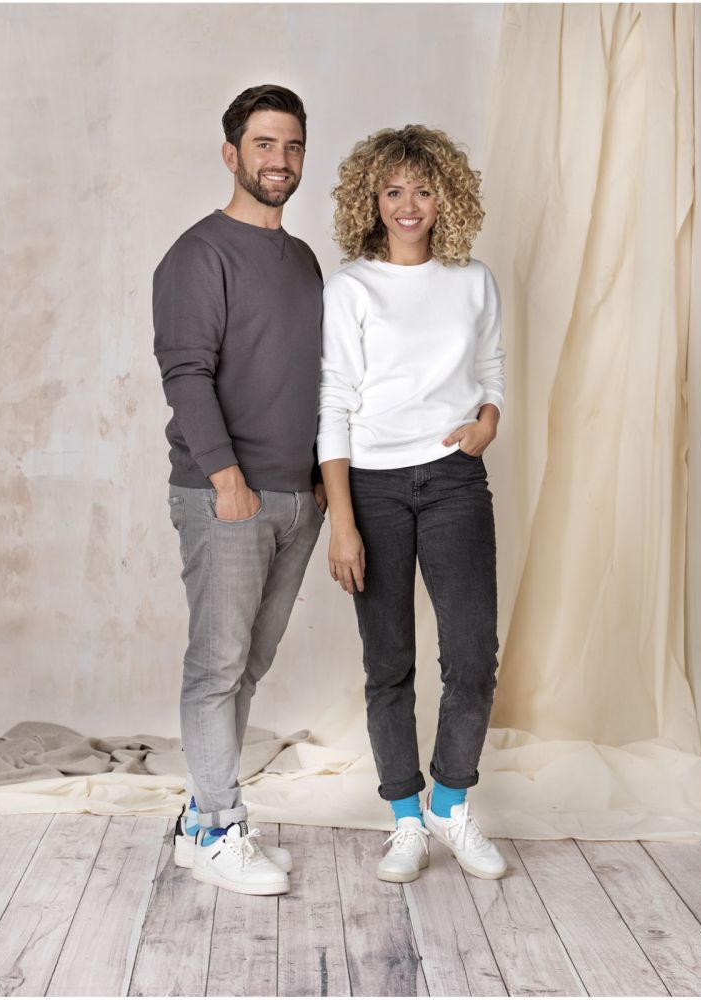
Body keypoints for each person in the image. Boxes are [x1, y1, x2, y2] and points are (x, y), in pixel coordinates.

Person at [317, 125, 507, 883]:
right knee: (388, 662)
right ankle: (405, 818)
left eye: (423, 190)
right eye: (393, 190)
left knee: (472, 656)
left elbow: (491, 369)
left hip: (455, 478)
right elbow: (333, 400)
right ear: (371, 199)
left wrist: (487, 423)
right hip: (373, 486)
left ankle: (449, 804)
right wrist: (342, 521)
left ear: (445, 198)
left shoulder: (473, 281)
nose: (408, 205)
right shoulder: (350, 289)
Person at [153, 84, 326, 897]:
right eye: (264, 144)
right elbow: (186, 373)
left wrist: (317, 486)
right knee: (216, 666)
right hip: (226, 495)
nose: (279, 160)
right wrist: (226, 479)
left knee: (248, 667)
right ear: (232, 154)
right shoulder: (198, 255)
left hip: (296, 499)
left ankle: (201, 822)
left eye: (291, 145)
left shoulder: (303, 260)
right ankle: (221, 826)